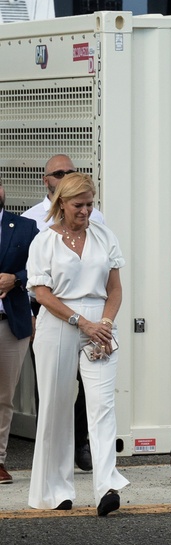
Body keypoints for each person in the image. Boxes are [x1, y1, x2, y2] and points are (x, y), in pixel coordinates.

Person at [26, 172, 128, 515]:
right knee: (55, 407)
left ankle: (106, 486)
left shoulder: (104, 235)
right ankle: (55, 491)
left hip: (100, 324)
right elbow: (42, 294)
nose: (85, 211)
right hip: (58, 323)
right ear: (62, 203)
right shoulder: (44, 241)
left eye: (90, 203)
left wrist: (105, 324)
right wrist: (81, 321)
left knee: (102, 406)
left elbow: (115, 289)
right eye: (78, 205)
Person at [23, 154, 106, 474]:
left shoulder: (96, 218)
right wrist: (31, 313)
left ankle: (81, 441)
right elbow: (32, 275)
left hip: (90, 313)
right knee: (51, 384)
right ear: (47, 180)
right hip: (46, 310)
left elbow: (105, 270)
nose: (65, 176)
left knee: (90, 383)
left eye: (70, 171)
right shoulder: (33, 219)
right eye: (58, 173)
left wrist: (104, 319)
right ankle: (51, 451)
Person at [0, 175, 39, 485]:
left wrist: (16, 278)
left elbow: (41, 266)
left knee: (4, 397)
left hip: (10, 324)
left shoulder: (23, 227)